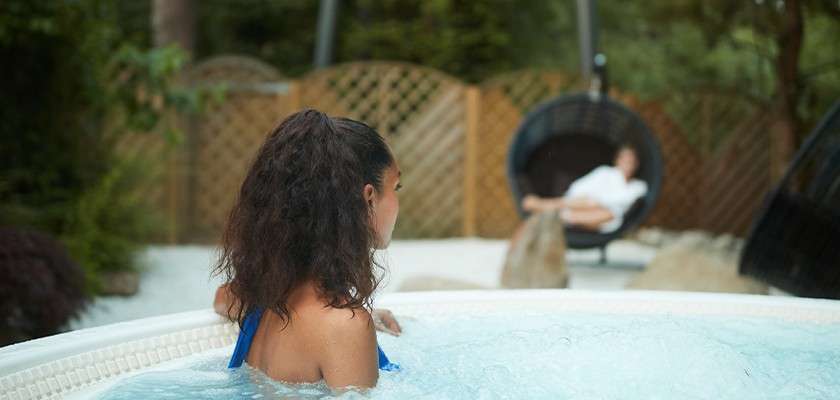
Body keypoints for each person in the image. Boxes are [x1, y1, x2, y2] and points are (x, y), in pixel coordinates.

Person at [211, 109, 403, 390]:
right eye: (397, 186)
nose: (398, 201)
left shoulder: (264, 295)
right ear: (368, 199)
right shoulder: (344, 326)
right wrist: (352, 320)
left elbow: (222, 298)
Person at [521, 145, 647, 233]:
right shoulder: (604, 172)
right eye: (625, 160)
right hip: (580, 204)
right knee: (588, 201)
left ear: (636, 164)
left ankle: (543, 209)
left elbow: (621, 202)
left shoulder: (639, 186)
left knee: (608, 214)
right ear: (618, 160)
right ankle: (545, 206)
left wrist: (599, 201)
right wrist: (592, 201)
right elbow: (580, 188)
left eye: (631, 161)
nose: (628, 164)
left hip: (604, 217)